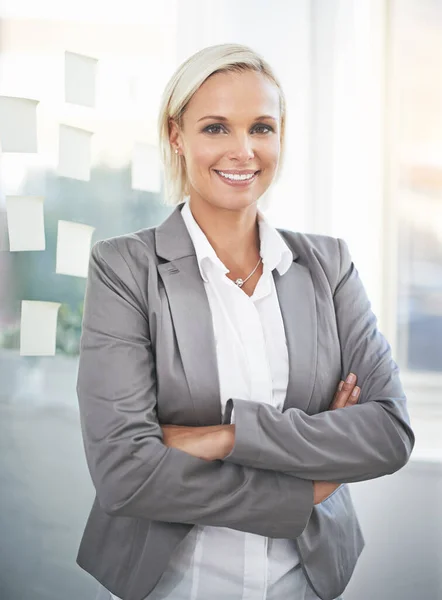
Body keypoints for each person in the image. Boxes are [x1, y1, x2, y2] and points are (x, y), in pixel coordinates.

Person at [75, 43, 415, 600]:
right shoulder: (125, 268)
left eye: (261, 127)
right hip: (174, 584)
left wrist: (225, 437)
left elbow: (389, 433)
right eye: (215, 128)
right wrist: (306, 487)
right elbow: (124, 472)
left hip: (307, 580)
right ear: (176, 136)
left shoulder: (328, 265)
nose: (243, 151)